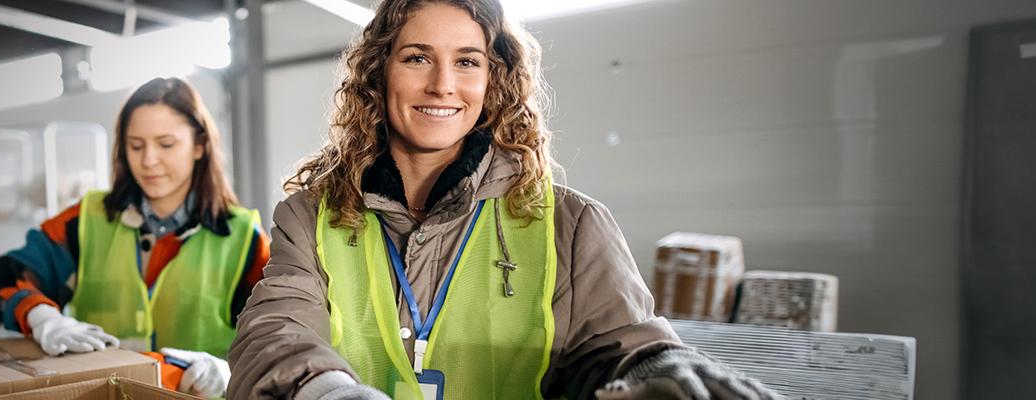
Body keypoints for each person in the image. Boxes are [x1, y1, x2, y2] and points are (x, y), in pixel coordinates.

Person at [225, 0, 782, 399]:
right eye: (417, 57)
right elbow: (276, 331)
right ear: (378, 72)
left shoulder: (571, 223)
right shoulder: (310, 217)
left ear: (494, 82)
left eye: (468, 61)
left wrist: (656, 364)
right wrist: (326, 391)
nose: (443, 84)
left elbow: (613, 345)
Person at [0, 77, 266, 398]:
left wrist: (229, 370)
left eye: (166, 144)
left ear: (199, 145)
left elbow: (278, 340)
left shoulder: (242, 239)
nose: (148, 160)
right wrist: (42, 318)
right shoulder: (86, 221)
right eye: (135, 145)